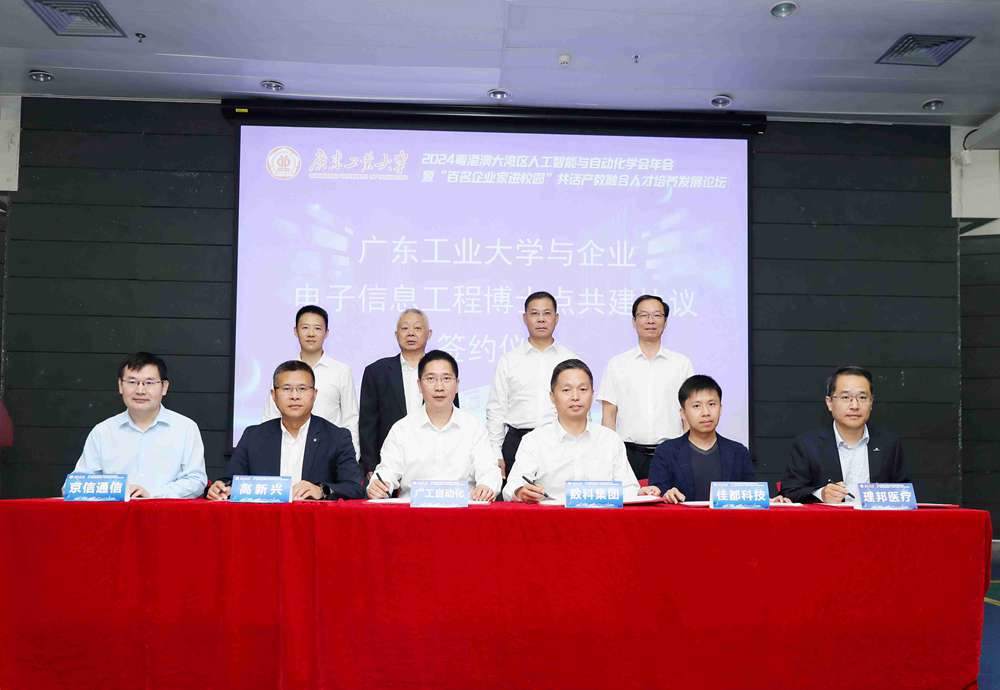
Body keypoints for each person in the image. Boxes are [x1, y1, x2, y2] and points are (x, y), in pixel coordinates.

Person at [208, 361, 364, 501]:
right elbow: (230, 480)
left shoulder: (337, 437)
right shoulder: (253, 436)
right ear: (273, 395)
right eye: (287, 389)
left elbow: (355, 488)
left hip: (314, 521)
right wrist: (221, 487)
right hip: (264, 520)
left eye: (302, 389)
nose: (294, 396)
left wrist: (322, 490)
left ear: (314, 394)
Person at [367, 350, 500, 501]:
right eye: (430, 379)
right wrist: (378, 485)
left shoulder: (473, 427)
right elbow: (387, 470)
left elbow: (489, 470)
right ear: (419, 385)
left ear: (457, 385)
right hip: (412, 511)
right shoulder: (402, 429)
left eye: (446, 378)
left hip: (463, 510)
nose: (439, 387)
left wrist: (486, 486)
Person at [74, 352, 207, 499]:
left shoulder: (185, 428)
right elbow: (78, 484)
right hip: (115, 513)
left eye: (149, 383)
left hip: (165, 512)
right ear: (120, 385)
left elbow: (196, 480)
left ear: (164, 387)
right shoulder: (103, 431)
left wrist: (152, 495)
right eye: (132, 382)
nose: (140, 390)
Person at [503, 359, 638, 503]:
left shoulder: (610, 440)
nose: (575, 397)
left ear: (592, 394)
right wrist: (520, 491)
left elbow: (629, 488)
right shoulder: (534, 440)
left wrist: (639, 492)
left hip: (600, 515)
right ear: (552, 397)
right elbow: (512, 487)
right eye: (566, 390)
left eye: (583, 389)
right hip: (552, 515)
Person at [642, 375, 789, 504]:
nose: (706, 412)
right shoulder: (666, 452)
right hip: (682, 524)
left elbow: (753, 494)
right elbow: (656, 493)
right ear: (683, 413)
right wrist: (665, 494)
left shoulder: (738, 452)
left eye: (712, 404)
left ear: (721, 408)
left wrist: (770, 500)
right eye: (696, 406)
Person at [780, 365, 909, 504]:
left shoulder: (889, 443)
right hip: (829, 518)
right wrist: (821, 494)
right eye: (846, 397)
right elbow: (789, 492)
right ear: (829, 403)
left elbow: (905, 493)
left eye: (862, 397)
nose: (855, 406)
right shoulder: (807, 445)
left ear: (871, 402)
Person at [599, 294, 694, 480]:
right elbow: (609, 415)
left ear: (665, 322)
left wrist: (688, 450)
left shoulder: (681, 364)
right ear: (634, 321)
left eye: (657, 315)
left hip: (671, 452)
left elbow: (689, 412)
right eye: (643, 315)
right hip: (628, 455)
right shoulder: (617, 364)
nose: (650, 321)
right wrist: (609, 454)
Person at [486, 291, 577, 480]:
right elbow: (496, 409)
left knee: (558, 496)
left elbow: (580, 407)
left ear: (556, 318)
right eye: (535, 313)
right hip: (517, 443)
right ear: (525, 318)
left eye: (547, 313)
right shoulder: (509, 360)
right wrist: (495, 451)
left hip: (560, 443)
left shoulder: (570, 359)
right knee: (515, 497)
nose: (541, 319)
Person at [358, 309, 458, 478]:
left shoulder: (442, 369)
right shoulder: (376, 372)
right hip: (389, 463)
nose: (411, 333)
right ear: (396, 334)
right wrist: (371, 466)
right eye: (405, 328)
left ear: (429, 334)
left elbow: (453, 413)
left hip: (435, 462)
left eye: (417, 328)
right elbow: (368, 424)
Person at [263, 305, 359, 458]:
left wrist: (350, 458)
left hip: (329, 453)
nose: (311, 334)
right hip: (288, 452)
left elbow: (350, 419)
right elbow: (270, 416)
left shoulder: (341, 371)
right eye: (305, 327)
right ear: (295, 331)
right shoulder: (284, 372)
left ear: (326, 333)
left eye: (317, 328)